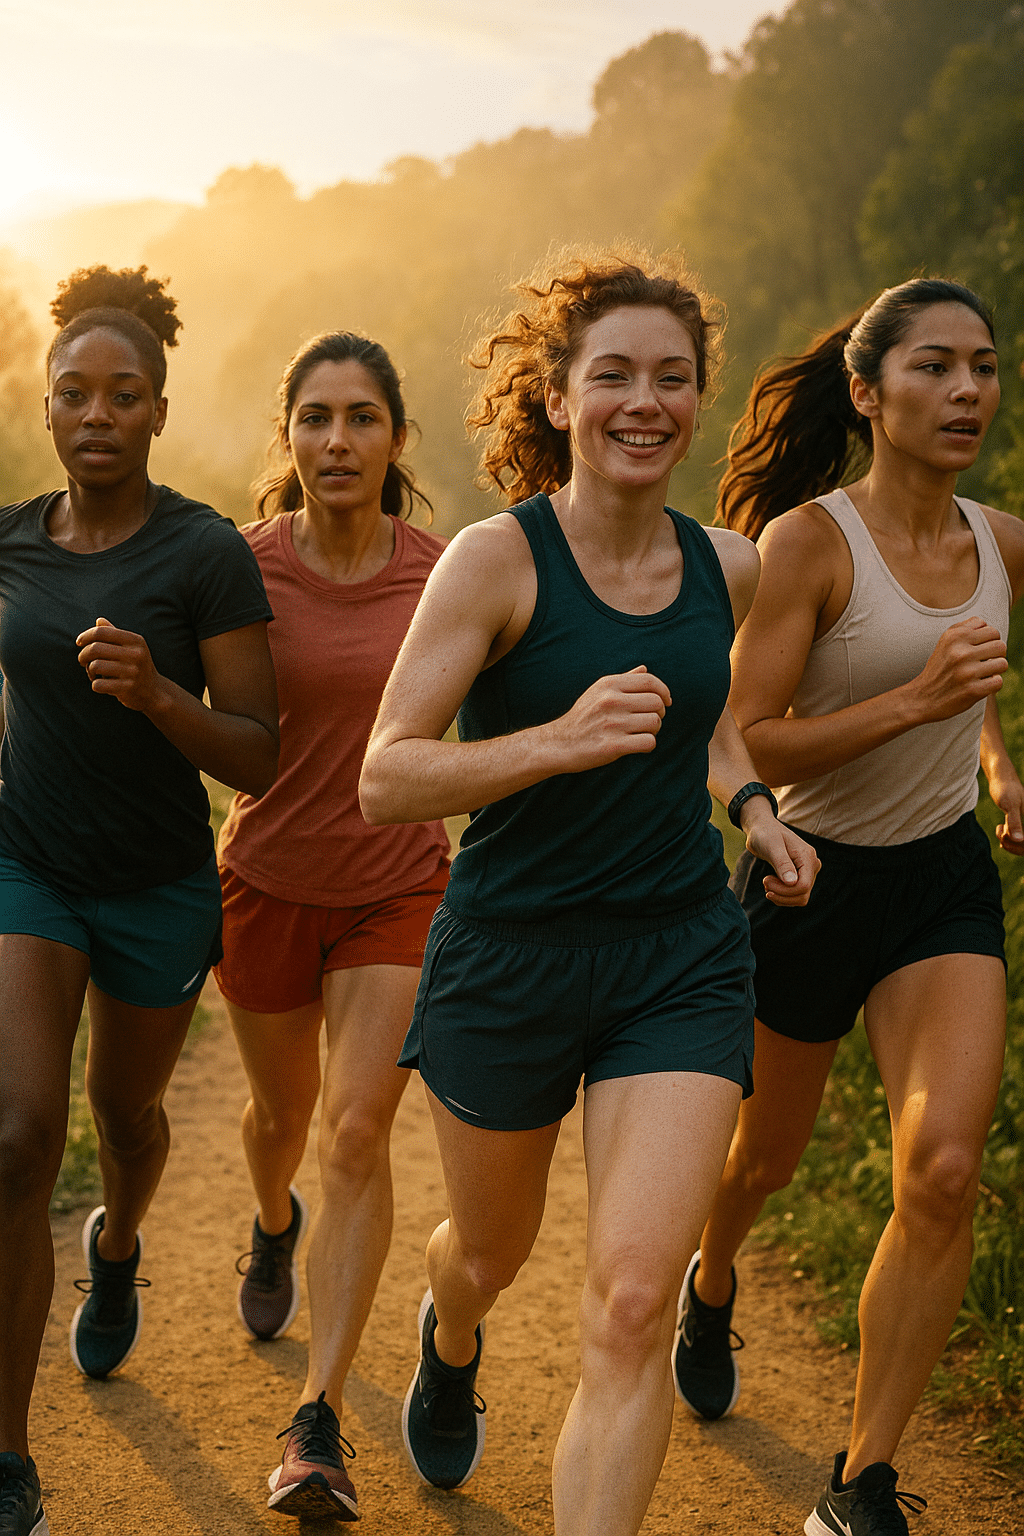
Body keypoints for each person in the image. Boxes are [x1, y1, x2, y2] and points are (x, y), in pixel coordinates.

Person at [358, 251, 819, 1536]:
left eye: (671, 379)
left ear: (696, 400)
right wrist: (551, 741)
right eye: (610, 374)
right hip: (509, 957)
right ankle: (450, 1333)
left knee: (627, 1304)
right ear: (556, 399)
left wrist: (756, 814)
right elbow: (385, 778)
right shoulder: (495, 566)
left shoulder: (725, 565)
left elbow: (714, 731)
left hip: (675, 957)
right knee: (489, 1255)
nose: (643, 401)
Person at [669, 277, 1023, 1536]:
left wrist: (995, 761)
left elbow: (968, 669)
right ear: (867, 395)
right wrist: (918, 705)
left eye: (981, 366)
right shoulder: (809, 547)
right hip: (802, 875)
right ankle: (710, 1279)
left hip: (938, 877)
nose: (967, 390)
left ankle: (858, 1482)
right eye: (933, 367)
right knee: (762, 1157)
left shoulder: (1001, 541)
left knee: (939, 1169)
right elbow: (749, 737)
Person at [0, 265, 278, 1536]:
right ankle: (10, 1460)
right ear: (45, 409)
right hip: (28, 870)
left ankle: (116, 1245)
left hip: (161, 886)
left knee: (127, 1114)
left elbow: (260, 751)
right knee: (13, 1139)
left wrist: (159, 694)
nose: (96, 413)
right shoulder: (5, 541)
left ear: (159, 410)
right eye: (73, 394)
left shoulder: (203, 550)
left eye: (123, 395)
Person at [213, 331, 449, 1523]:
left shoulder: (444, 571)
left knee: (356, 1130)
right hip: (265, 880)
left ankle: (319, 1421)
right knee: (281, 1122)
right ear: (289, 436)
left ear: (396, 438)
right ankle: (270, 1225)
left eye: (362, 417)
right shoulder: (239, 568)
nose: (338, 440)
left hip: (397, 886)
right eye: (316, 417)